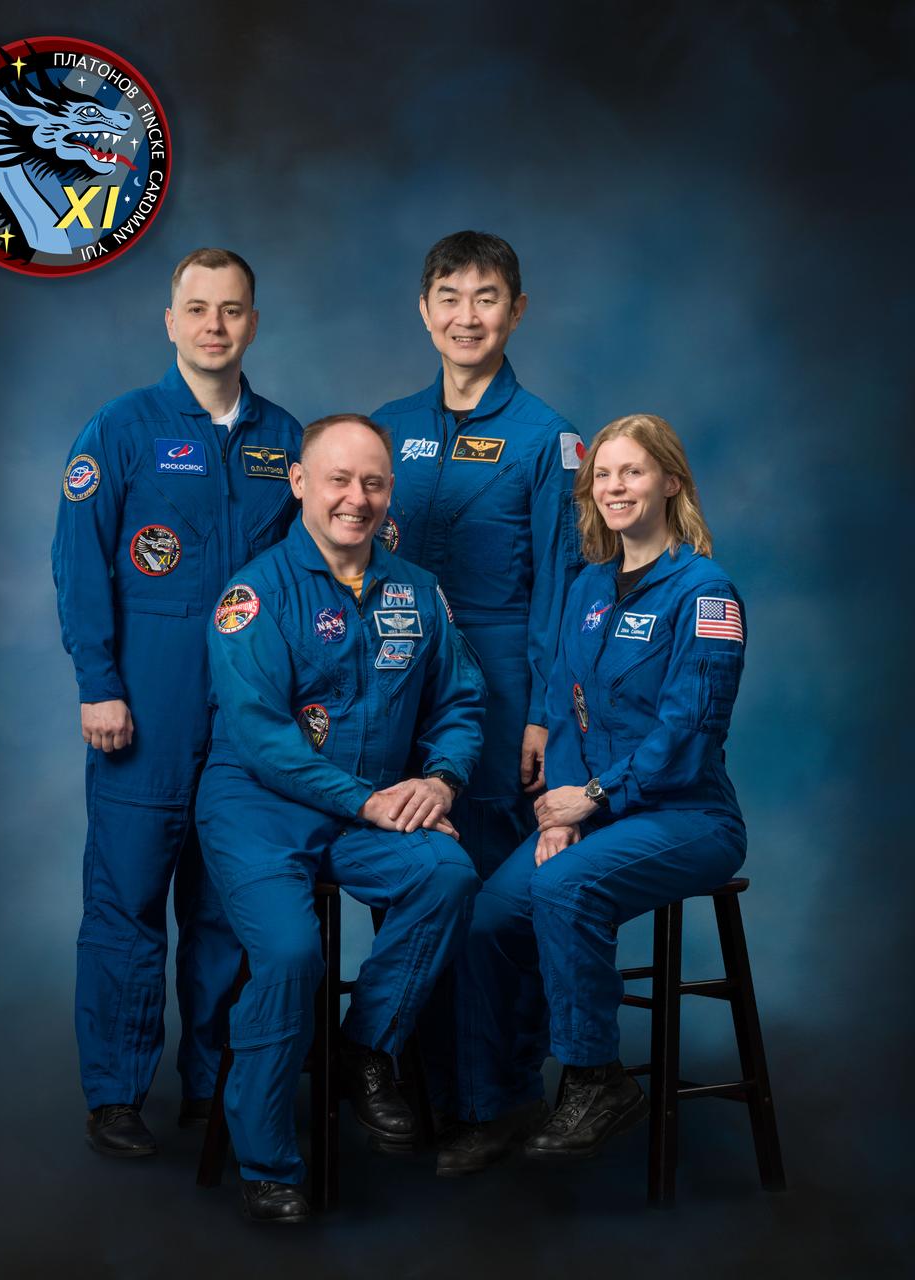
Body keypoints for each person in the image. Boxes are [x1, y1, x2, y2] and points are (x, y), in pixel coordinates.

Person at [437, 413, 748, 1176]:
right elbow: (570, 703)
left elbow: (689, 732)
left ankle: (595, 1079)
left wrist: (593, 799)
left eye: (631, 472)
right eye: (602, 475)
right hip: (601, 812)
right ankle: (505, 1099)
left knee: (565, 892)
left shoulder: (703, 592)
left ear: (669, 483)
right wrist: (561, 810)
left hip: (686, 815)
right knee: (486, 916)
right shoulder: (587, 586)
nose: (613, 487)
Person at [195, 415, 485, 1222]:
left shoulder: (417, 591)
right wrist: (368, 800)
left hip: (375, 805)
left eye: (373, 483)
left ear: (389, 491)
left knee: (448, 875)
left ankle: (363, 1051)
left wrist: (441, 781)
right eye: (337, 480)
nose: (355, 499)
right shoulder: (254, 596)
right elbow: (258, 738)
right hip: (260, 808)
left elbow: (460, 700)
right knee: (290, 954)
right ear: (298, 484)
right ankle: (268, 1162)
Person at [52, 248, 302, 1158]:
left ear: (252, 323)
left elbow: (310, 579)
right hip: (144, 712)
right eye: (197, 308)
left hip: (248, 720)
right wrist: (99, 685)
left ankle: (215, 1087)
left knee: (225, 910)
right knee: (125, 903)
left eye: (231, 309)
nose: (213, 325)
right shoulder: (119, 430)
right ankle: (116, 1094)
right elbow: (80, 566)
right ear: (169, 321)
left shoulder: (286, 441)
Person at [372, 230, 583, 1120]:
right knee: (412, 879)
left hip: (502, 693)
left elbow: (564, 593)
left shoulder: (548, 439)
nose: (467, 315)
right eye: (449, 297)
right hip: (396, 692)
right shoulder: (385, 429)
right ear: (423, 312)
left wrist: (540, 714)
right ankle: (405, 1081)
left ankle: (491, 1096)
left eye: (486, 296)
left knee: (497, 895)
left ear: (516, 311)